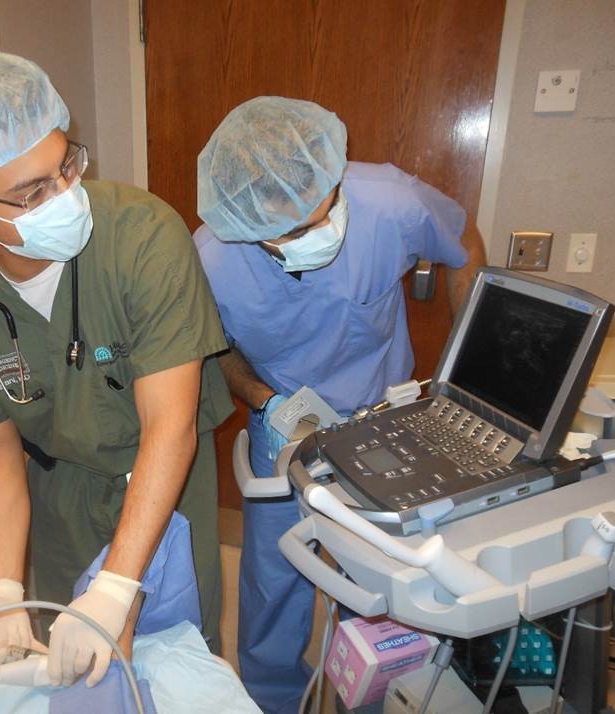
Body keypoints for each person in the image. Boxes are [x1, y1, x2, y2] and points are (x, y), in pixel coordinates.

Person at [0, 52, 233, 688]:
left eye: (66, 167)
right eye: (32, 193)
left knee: (174, 653)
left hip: (164, 474)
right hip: (57, 496)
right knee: (74, 668)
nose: (65, 197)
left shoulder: (142, 236)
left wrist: (118, 587)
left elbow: (170, 425)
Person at [195, 96, 486, 713]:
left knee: (385, 580)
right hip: (284, 420)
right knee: (275, 578)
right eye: (284, 236)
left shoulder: (390, 204)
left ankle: (380, 697)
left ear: (332, 180)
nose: (308, 238)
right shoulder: (213, 257)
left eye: (316, 219)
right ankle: (271, 699)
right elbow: (214, 347)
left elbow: (463, 247)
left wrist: (464, 373)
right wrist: (267, 401)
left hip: (388, 416)